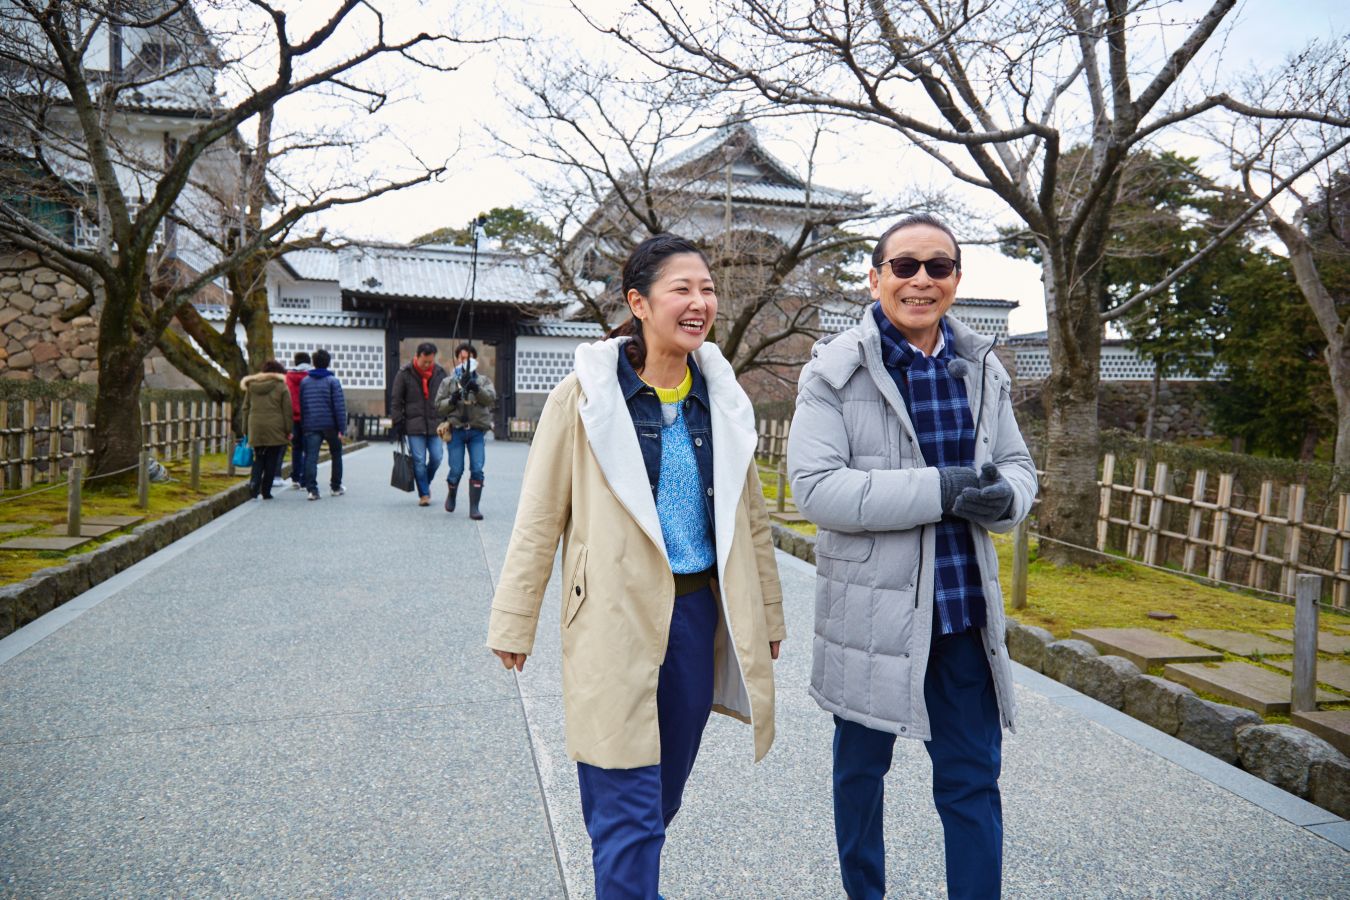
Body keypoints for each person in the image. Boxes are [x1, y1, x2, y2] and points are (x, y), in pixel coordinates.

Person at [487, 234, 786, 899]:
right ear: (638, 302)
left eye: (706, 290)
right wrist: (515, 619)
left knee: (658, 802)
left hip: (695, 615)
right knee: (626, 810)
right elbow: (540, 517)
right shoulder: (584, 397)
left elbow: (751, 518)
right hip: (611, 617)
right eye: (682, 289)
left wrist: (765, 612)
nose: (699, 302)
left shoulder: (720, 395)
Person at [787, 213, 1037, 900]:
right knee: (862, 779)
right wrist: (943, 488)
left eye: (939, 266)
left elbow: (1018, 466)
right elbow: (817, 490)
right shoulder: (832, 373)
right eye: (904, 266)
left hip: (963, 613)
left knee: (972, 784)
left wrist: (1005, 499)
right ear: (875, 278)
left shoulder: (982, 368)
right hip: (872, 619)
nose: (921, 280)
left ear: (956, 280)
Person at [434, 343, 496, 519]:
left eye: (468, 358)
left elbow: (490, 399)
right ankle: (452, 493)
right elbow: (439, 406)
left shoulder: (483, 381)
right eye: (461, 358)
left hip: (477, 431)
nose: (465, 361)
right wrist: (452, 401)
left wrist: (476, 389)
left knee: (477, 467)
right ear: (457, 359)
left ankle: (474, 507)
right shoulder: (448, 382)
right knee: (456, 468)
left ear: (474, 360)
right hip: (457, 431)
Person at [390, 341, 448, 506]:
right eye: (425, 361)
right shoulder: (405, 373)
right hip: (414, 425)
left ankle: (424, 483)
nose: (428, 365)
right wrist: (398, 421)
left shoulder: (440, 373)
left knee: (437, 457)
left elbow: (446, 398)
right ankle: (424, 494)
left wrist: (446, 420)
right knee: (419, 460)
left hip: (435, 424)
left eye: (431, 361)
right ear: (417, 356)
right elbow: (396, 400)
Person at [299, 347, 347, 501]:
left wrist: (304, 425)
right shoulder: (333, 381)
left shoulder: (305, 382)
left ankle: (312, 490)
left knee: (311, 457)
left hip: (312, 424)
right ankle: (335, 486)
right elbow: (339, 406)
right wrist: (342, 428)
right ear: (328, 363)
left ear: (313, 363)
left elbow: (302, 405)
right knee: (336, 454)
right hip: (330, 425)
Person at [240, 360, 292, 500]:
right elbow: (287, 410)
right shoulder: (281, 386)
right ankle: (266, 490)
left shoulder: (251, 386)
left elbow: (245, 408)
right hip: (275, 427)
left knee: (258, 458)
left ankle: (253, 485)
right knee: (271, 460)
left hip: (255, 426)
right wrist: (288, 430)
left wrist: (245, 429)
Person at [285, 351, 312, 490]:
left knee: (296, 447)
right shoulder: (311, 376)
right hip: (309, 417)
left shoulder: (289, 376)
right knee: (309, 449)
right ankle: (305, 479)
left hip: (293, 416)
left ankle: (295, 477)